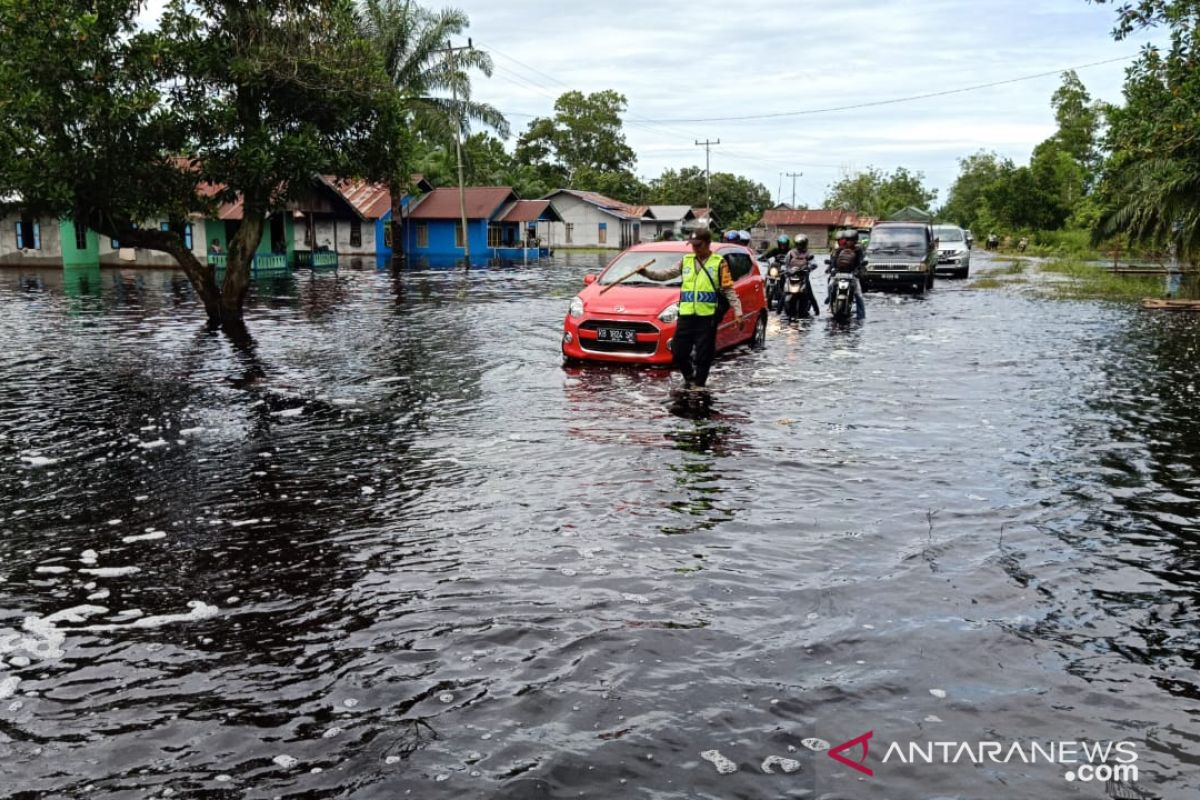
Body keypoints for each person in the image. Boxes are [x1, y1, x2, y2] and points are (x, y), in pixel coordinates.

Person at [638, 227, 745, 389]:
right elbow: (666, 274)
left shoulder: (718, 263)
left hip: (707, 316)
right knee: (678, 351)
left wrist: (738, 312)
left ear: (708, 244)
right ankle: (689, 377)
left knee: (704, 355)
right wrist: (646, 273)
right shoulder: (686, 260)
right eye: (693, 245)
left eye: (698, 245)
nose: (695, 248)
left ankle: (699, 385)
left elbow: (729, 289)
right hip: (686, 315)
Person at [826, 228, 866, 320]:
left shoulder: (858, 250)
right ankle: (830, 303)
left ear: (855, 240)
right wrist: (832, 269)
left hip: (852, 274)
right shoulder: (840, 249)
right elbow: (834, 262)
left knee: (859, 294)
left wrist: (858, 270)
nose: (847, 242)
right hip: (840, 274)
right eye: (847, 239)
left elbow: (860, 262)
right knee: (830, 286)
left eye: (850, 240)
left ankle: (861, 315)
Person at [783, 234, 819, 317]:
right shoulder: (790, 253)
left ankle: (817, 311)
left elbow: (814, 263)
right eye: (798, 244)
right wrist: (786, 270)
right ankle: (779, 311)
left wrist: (810, 267)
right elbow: (786, 263)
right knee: (784, 293)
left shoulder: (809, 253)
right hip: (791, 276)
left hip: (803, 277)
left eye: (802, 244)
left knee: (810, 294)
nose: (800, 246)